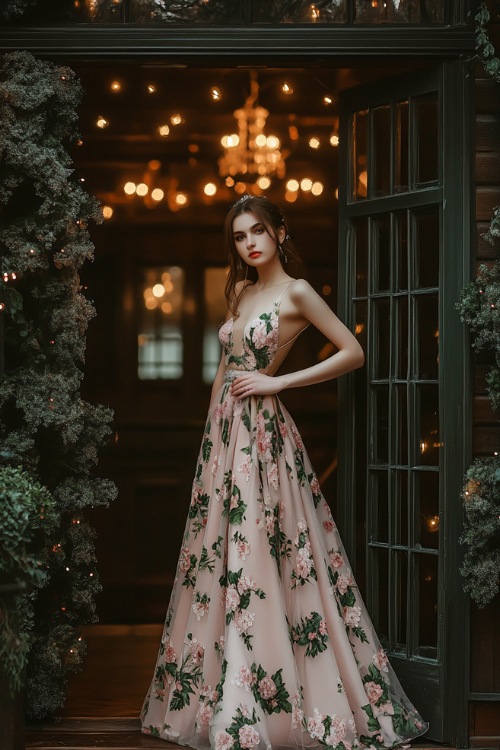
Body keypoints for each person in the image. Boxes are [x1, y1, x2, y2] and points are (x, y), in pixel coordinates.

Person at [141, 195, 428, 750]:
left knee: (265, 552)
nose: (249, 243)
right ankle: (224, 696)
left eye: (258, 232)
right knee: (220, 555)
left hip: (265, 436)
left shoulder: (295, 292)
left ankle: (263, 706)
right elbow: (225, 368)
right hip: (225, 436)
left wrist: (279, 382)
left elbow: (352, 351)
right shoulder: (241, 290)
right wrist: (210, 439)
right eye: (240, 237)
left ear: (278, 232)